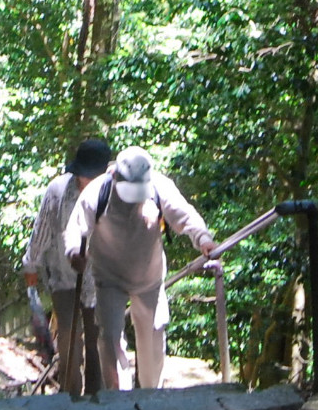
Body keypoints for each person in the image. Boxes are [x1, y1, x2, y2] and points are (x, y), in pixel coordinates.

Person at [62, 147, 216, 390]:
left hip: (149, 278)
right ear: (114, 176)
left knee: (154, 338)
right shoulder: (98, 191)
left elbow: (185, 216)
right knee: (110, 338)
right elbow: (76, 228)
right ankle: (119, 397)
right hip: (109, 277)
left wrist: (204, 240)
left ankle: (150, 394)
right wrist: (74, 253)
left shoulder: (159, 187)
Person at [24, 138, 110, 396]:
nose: (86, 180)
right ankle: (70, 396)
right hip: (63, 275)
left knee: (99, 341)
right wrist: (31, 263)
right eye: (82, 175)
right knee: (69, 337)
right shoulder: (58, 190)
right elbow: (43, 230)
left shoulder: (114, 192)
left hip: (101, 279)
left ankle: (98, 397)